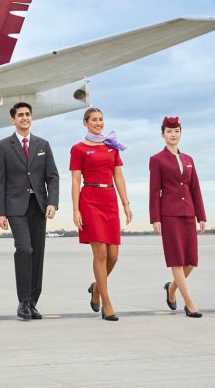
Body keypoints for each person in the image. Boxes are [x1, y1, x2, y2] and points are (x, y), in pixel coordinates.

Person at [0, 102, 59, 320]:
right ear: (13, 119)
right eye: (20, 115)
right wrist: (0, 212)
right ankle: (23, 302)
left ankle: (33, 302)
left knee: (37, 254)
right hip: (15, 206)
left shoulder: (43, 145)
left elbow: (53, 177)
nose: (25, 118)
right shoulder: (3, 146)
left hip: (38, 206)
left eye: (28, 114)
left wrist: (52, 202)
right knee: (25, 249)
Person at [70, 108, 132, 321]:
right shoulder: (78, 149)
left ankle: (96, 288)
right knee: (101, 254)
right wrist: (76, 209)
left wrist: (126, 204)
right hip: (90, 199)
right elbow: (76, 180)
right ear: (85, 123)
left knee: (114, 255)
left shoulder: (112, 147)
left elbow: (119, 177)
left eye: (101, 119)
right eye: (94, 120)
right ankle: (107, 303)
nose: (98, 123)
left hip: (109, 199)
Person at [149, 116, 207, 318]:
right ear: (163, 134)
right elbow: (154, 191)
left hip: (189, 213)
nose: (173, 135)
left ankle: (172, 288)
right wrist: (155, 218)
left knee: (191, 260)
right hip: (169, 214)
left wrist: (201, 215)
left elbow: (195, 189)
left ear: (181, 133)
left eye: (176, 131)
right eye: (169, 132)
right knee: (177, 259)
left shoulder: (189, 160)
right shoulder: (157, 160)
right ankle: (189, 304)